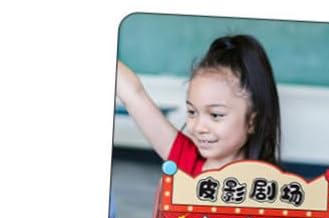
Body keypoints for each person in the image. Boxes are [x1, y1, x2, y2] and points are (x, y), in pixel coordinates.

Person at [115, 33, 282, 172]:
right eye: (192, 112)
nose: (198, 128)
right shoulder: (186, 159)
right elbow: (134, 95)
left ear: (252, 121)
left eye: (216, 115)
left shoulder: (269, 187)